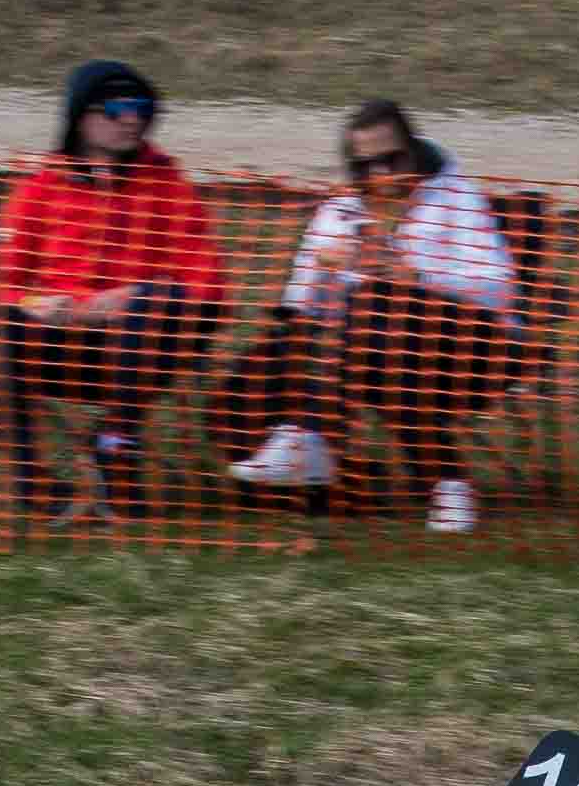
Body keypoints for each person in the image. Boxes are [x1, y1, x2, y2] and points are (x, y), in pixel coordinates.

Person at [0, 61, 231, 528]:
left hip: (138, 348)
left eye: (142, 108)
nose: (132, 119)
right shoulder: (39, 190)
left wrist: (134, 296)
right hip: (52, 345)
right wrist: (37, 304)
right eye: (116, 108)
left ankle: (115, 449)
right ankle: (32, 479)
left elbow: (212, 287)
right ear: (80, 117)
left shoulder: (171, 190)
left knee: (160, 303)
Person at [221, 101, 527, 536]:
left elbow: (501, 289)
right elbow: (300, 303)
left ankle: (438, 481)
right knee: (241, 389)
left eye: (392, 159)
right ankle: (331, 472)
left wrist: (417, 276)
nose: (381, 173)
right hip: (358, 347)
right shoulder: (340, 209)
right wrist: (322, 274)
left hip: (471, 345)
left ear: (412, 150)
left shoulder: (457, 199)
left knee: (372, 316)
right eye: (366, 164)